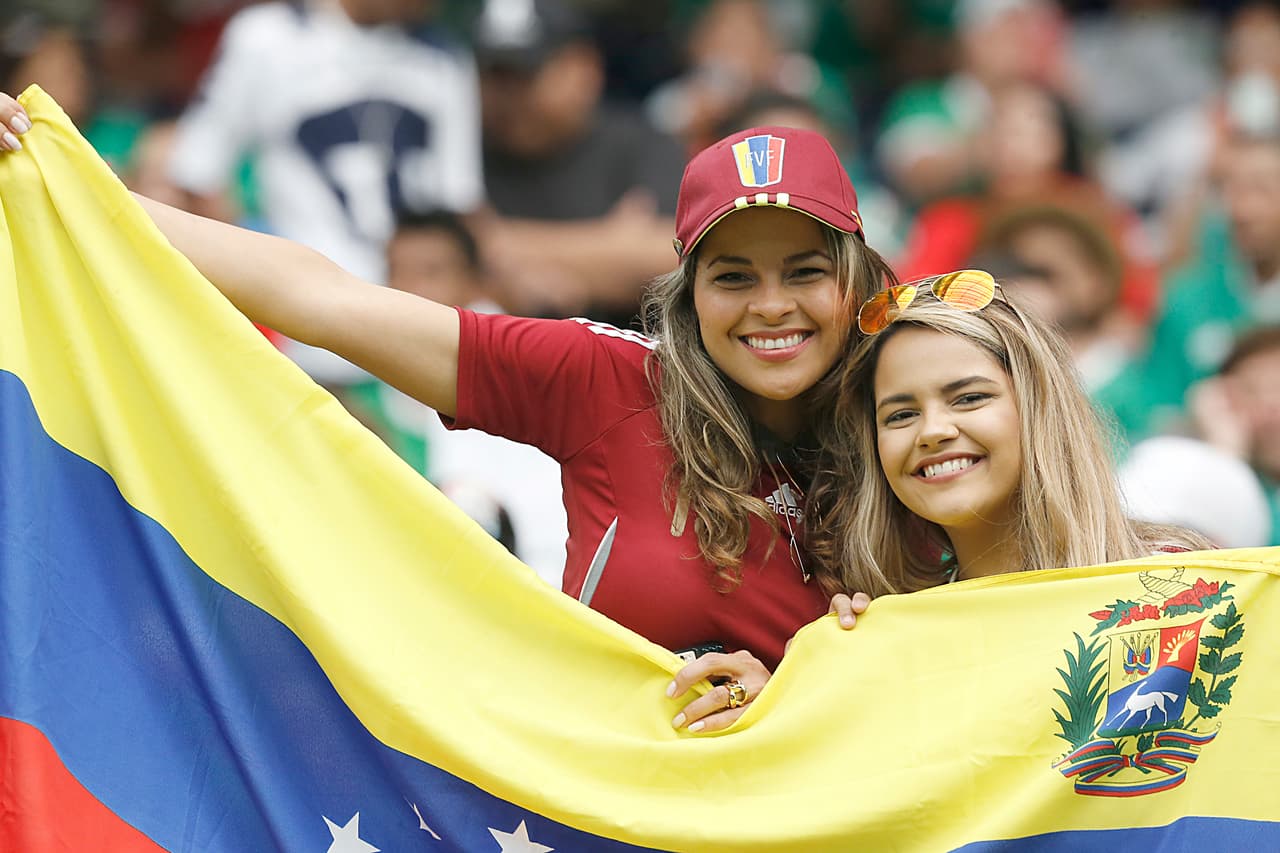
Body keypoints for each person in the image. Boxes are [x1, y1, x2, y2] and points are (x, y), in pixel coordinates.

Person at [0, 101, 896, 712]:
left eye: (804, 271)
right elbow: (327, 300)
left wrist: (790, 692)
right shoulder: (611, 380)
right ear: (690, 291)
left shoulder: (912, 413)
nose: (770, 305)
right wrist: (70, 186)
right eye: (732, 276)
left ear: (856, 277)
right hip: (602, 817)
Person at [665, 270, 1212, 734]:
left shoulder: (1186, 591)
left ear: (1038, 408)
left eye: (969, 398)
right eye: (900, 415)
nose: (933, 431)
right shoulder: (880, 640)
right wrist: (783, 711)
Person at [166, 0, 484, 384]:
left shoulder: (444, 56)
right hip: (301, 334)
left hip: (412, 332)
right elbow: (198, 172)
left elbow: (457, 203)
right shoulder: (268, 36)